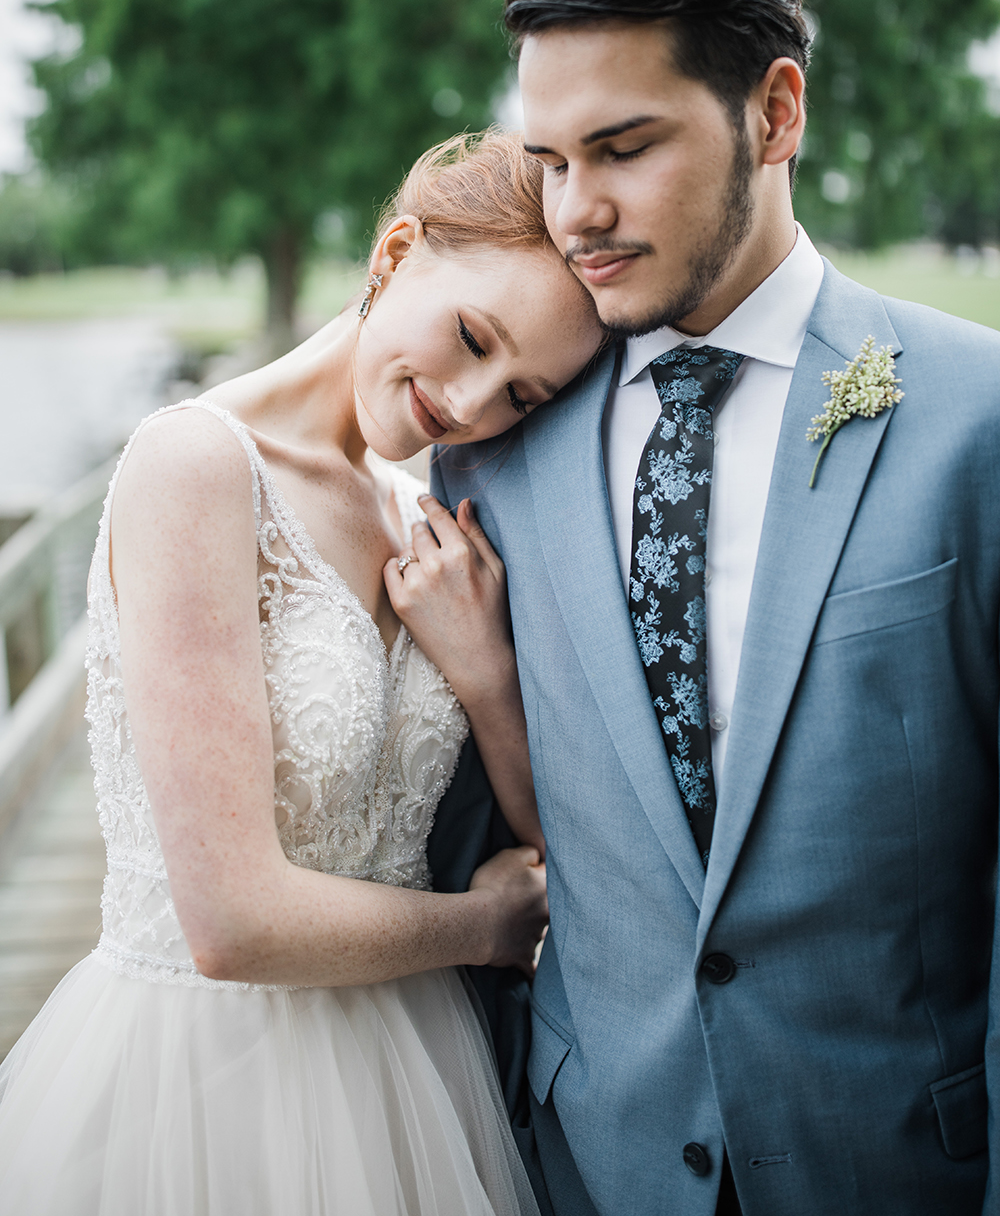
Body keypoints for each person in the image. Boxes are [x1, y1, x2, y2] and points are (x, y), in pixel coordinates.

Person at [429, 0, 1000, 1216]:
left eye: (623, 149)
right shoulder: (492, 446)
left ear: (776, 114)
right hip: (587, 1160)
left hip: (902, 1167)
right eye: (551, 161)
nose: (578, 211)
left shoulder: (975, 416)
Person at [0, 129, 603, 1215]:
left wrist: (485, 675)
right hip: (205, 1073)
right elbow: (230, 924)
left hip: (411, 1068)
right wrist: (481, 928)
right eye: (473, 337)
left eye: (522, 395)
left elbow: (547, 847)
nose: (472, 405)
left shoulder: (417, 513)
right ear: (395, 253)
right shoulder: (193, 466)